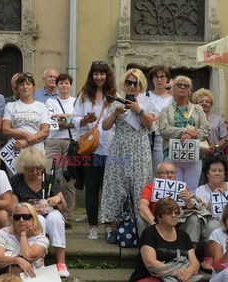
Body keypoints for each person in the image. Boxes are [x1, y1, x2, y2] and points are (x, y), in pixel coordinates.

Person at [128, 197, 207, 282]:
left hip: (178, 281)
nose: (174, 216)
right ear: (159, 216)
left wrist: (187, 273)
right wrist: (177, 273)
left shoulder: (183, 236)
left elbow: (195, 262)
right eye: (169, 213)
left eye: (176, 212)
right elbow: (150, 262)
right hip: (145, 279)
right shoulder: (150, 233)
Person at [100, 68, 154, 243]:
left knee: (140, 187)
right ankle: (113, 229)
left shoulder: (147, 103)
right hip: (119, 149)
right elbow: (105, 127)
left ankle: (141, 230)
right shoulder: (116, 103)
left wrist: (138, 110)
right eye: (128, 83)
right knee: (115, 187)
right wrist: (115, 113)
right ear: (124, 85)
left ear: (141, 86)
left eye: (135, 83)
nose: (132, 86)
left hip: (140, 149)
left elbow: (150, 123)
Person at [71, 60, 118, 240]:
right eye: (96, 74)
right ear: (92, 76)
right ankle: (92, 226)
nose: (99, 77)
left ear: (107, 76)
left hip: (110, 147)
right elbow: (74, 119)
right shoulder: (84, 95)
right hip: (89, 149)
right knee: (91, 188)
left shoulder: (114, 95)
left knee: (108, 189)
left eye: (102, 74)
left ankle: (107, 224)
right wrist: (85, 120)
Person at [9, 148, 69, 277]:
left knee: (56, 219)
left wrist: (57, 199)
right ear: (23, 168)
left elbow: (64, 206)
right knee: (39, 221)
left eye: (38, 168)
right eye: (31, 169)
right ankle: (38, 262)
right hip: (28, 216)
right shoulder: (15, 181)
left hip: (50, 212)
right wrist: (28, 208)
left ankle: (61, 263)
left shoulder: (48, 179)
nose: (35, 172)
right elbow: (13, 207)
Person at [159, 75, 211, 193]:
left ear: (189, 90)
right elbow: (164, 130)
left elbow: (206, 130)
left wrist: (193, 134)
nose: (182, 87)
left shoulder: (198, 109)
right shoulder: (166, 110)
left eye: (186, 85)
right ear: (173, 88)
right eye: (179, 85)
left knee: (191, 191)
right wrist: (184, 132)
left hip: (194, 156)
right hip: (172, 155)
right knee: (172, 191)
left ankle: (188, 212)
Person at [45, 73, 78, 228]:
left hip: (71, 143)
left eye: (67, 83)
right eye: (61, 83)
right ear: (56, 86)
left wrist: (64, 117)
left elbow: (79, 121)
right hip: (53, 141)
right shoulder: (49, 101)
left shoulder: (76, 102)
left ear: (70, 85)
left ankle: (67, 217)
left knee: (68, 181)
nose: (64, 86)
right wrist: (69, 119)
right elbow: (52, 122)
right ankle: (50, 211)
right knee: (49, 177)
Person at [137, 162, 199, 242]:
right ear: (157, 175)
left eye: (173, 173)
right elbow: (142, 206)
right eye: (166, 173)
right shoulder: (150, 187)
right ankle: (146, 250)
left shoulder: (183, 189)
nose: (170, 175)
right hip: (156, 221)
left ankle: (190, 251)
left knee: (194, 219)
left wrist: (188, 201)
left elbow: (189, 210)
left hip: (177, 222)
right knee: (141, 220)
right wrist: (156, 224)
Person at [0, 202, 48, 281]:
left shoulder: (41, 238)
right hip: (3, 281)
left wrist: (23, 235)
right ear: (13, 220)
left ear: (34, 218)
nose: (21, 220)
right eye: (17, 217)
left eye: (26, 217)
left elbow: (27, 256)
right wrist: (17, 260)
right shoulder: (3, 233)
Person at [194, 155, 228, 244]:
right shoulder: (200, 190)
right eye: (213, 170)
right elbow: (206, 213)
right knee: (212, 225)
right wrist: (214, 196)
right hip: (211, 222)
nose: (217, 173)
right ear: (207, 174)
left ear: (224, 174)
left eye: (220, 171)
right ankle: (211, 257)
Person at [2, 73, 50, 152]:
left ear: (33, 87)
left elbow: (45, 131)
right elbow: (6, 129)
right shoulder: (10, 106)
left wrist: (26, 141)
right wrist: (25, 134)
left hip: (36, 149)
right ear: (17, 88)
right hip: (15, 149)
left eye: (28, 84)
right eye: (21, 84)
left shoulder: (41, 106)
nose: (25, 87)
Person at [139, 65, 173, 175]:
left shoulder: (173, 99)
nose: (159, 80)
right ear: (152, 79)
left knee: (165, 171)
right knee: (149, 172)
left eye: (162, 77)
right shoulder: (144, 96)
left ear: (167, 79)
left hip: (165, 139)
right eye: (156, 77)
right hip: (147, 137)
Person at [192, 88, 228, 155]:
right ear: (196, 104)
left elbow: (224, 139)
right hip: (197, 155)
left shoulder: (218, 120)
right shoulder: (192, 120)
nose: (204, 104)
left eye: (207, 102)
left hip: (215, 155)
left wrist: (215, 147)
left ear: (211, 104)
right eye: (201, 102)